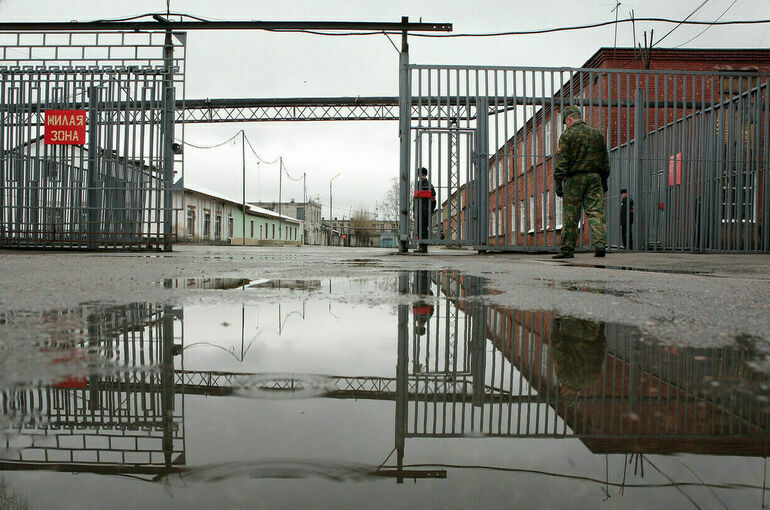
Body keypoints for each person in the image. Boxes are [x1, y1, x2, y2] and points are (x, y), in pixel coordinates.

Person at [553, 106, 610, 259]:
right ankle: (600, 245)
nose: (567, 125)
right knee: (596, 211)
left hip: (574, 179)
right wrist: (604, 178)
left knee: (571, 214)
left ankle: (567, 250)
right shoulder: (597, 134)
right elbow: (605, 160)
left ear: (569, 119)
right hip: (595, 177)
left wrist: (558, 181)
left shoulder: (567, 135)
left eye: (566, 122)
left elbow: (562, 162)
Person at [413, 167, 436, 254]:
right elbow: (415, 199)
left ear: (425, 175)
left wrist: (430, 210)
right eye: (420, 175)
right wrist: (414, 211)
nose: (421, 176)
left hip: (425, 211)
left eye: (422, 175)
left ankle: (424, 247)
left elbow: (433, 199)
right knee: (419, 229)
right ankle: (421, 246)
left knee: (423, 229)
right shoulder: (417, 185)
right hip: (418, 211)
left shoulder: (429, 185)